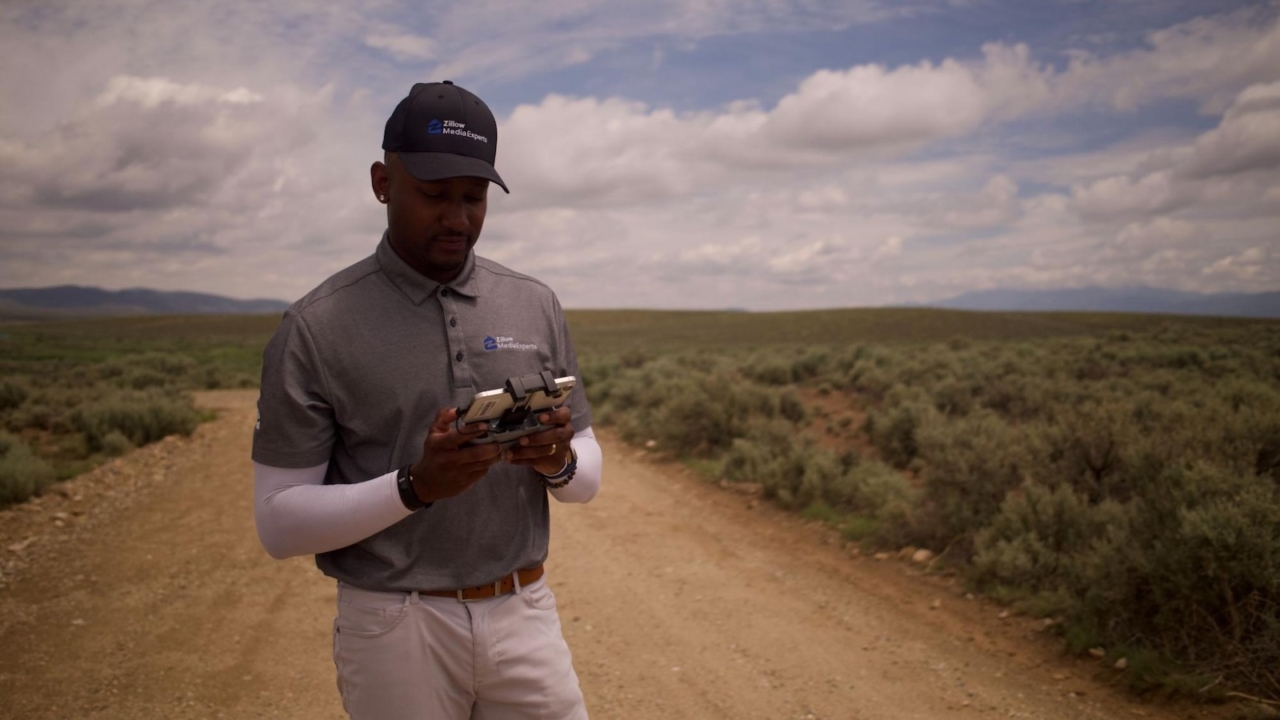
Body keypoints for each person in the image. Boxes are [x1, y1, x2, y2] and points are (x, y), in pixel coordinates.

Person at [251, 80, 601, 720]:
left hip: (524, 609)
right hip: (393, 623)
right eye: (434, 195)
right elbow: (277, 522)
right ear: (383, 182)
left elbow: (583, 472)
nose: (457, 218)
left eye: (473, 198)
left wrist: (555, 459)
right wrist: (416, 485)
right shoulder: (315, 327)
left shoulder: (534, 302)